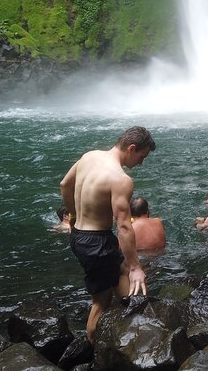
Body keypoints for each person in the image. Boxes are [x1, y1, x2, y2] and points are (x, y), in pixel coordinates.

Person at [60, 126, 155, 343]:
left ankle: (136, 319)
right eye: (142, 156)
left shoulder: (89, 156)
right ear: (131, 148)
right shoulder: (120, 179)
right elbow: (123, 226)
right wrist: (136, 267)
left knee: (122, 277)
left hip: (79, 237)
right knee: (101, 302)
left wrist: (73, 214)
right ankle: (93, 352)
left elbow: (65, 184)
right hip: (97, 242)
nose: (141, 163)